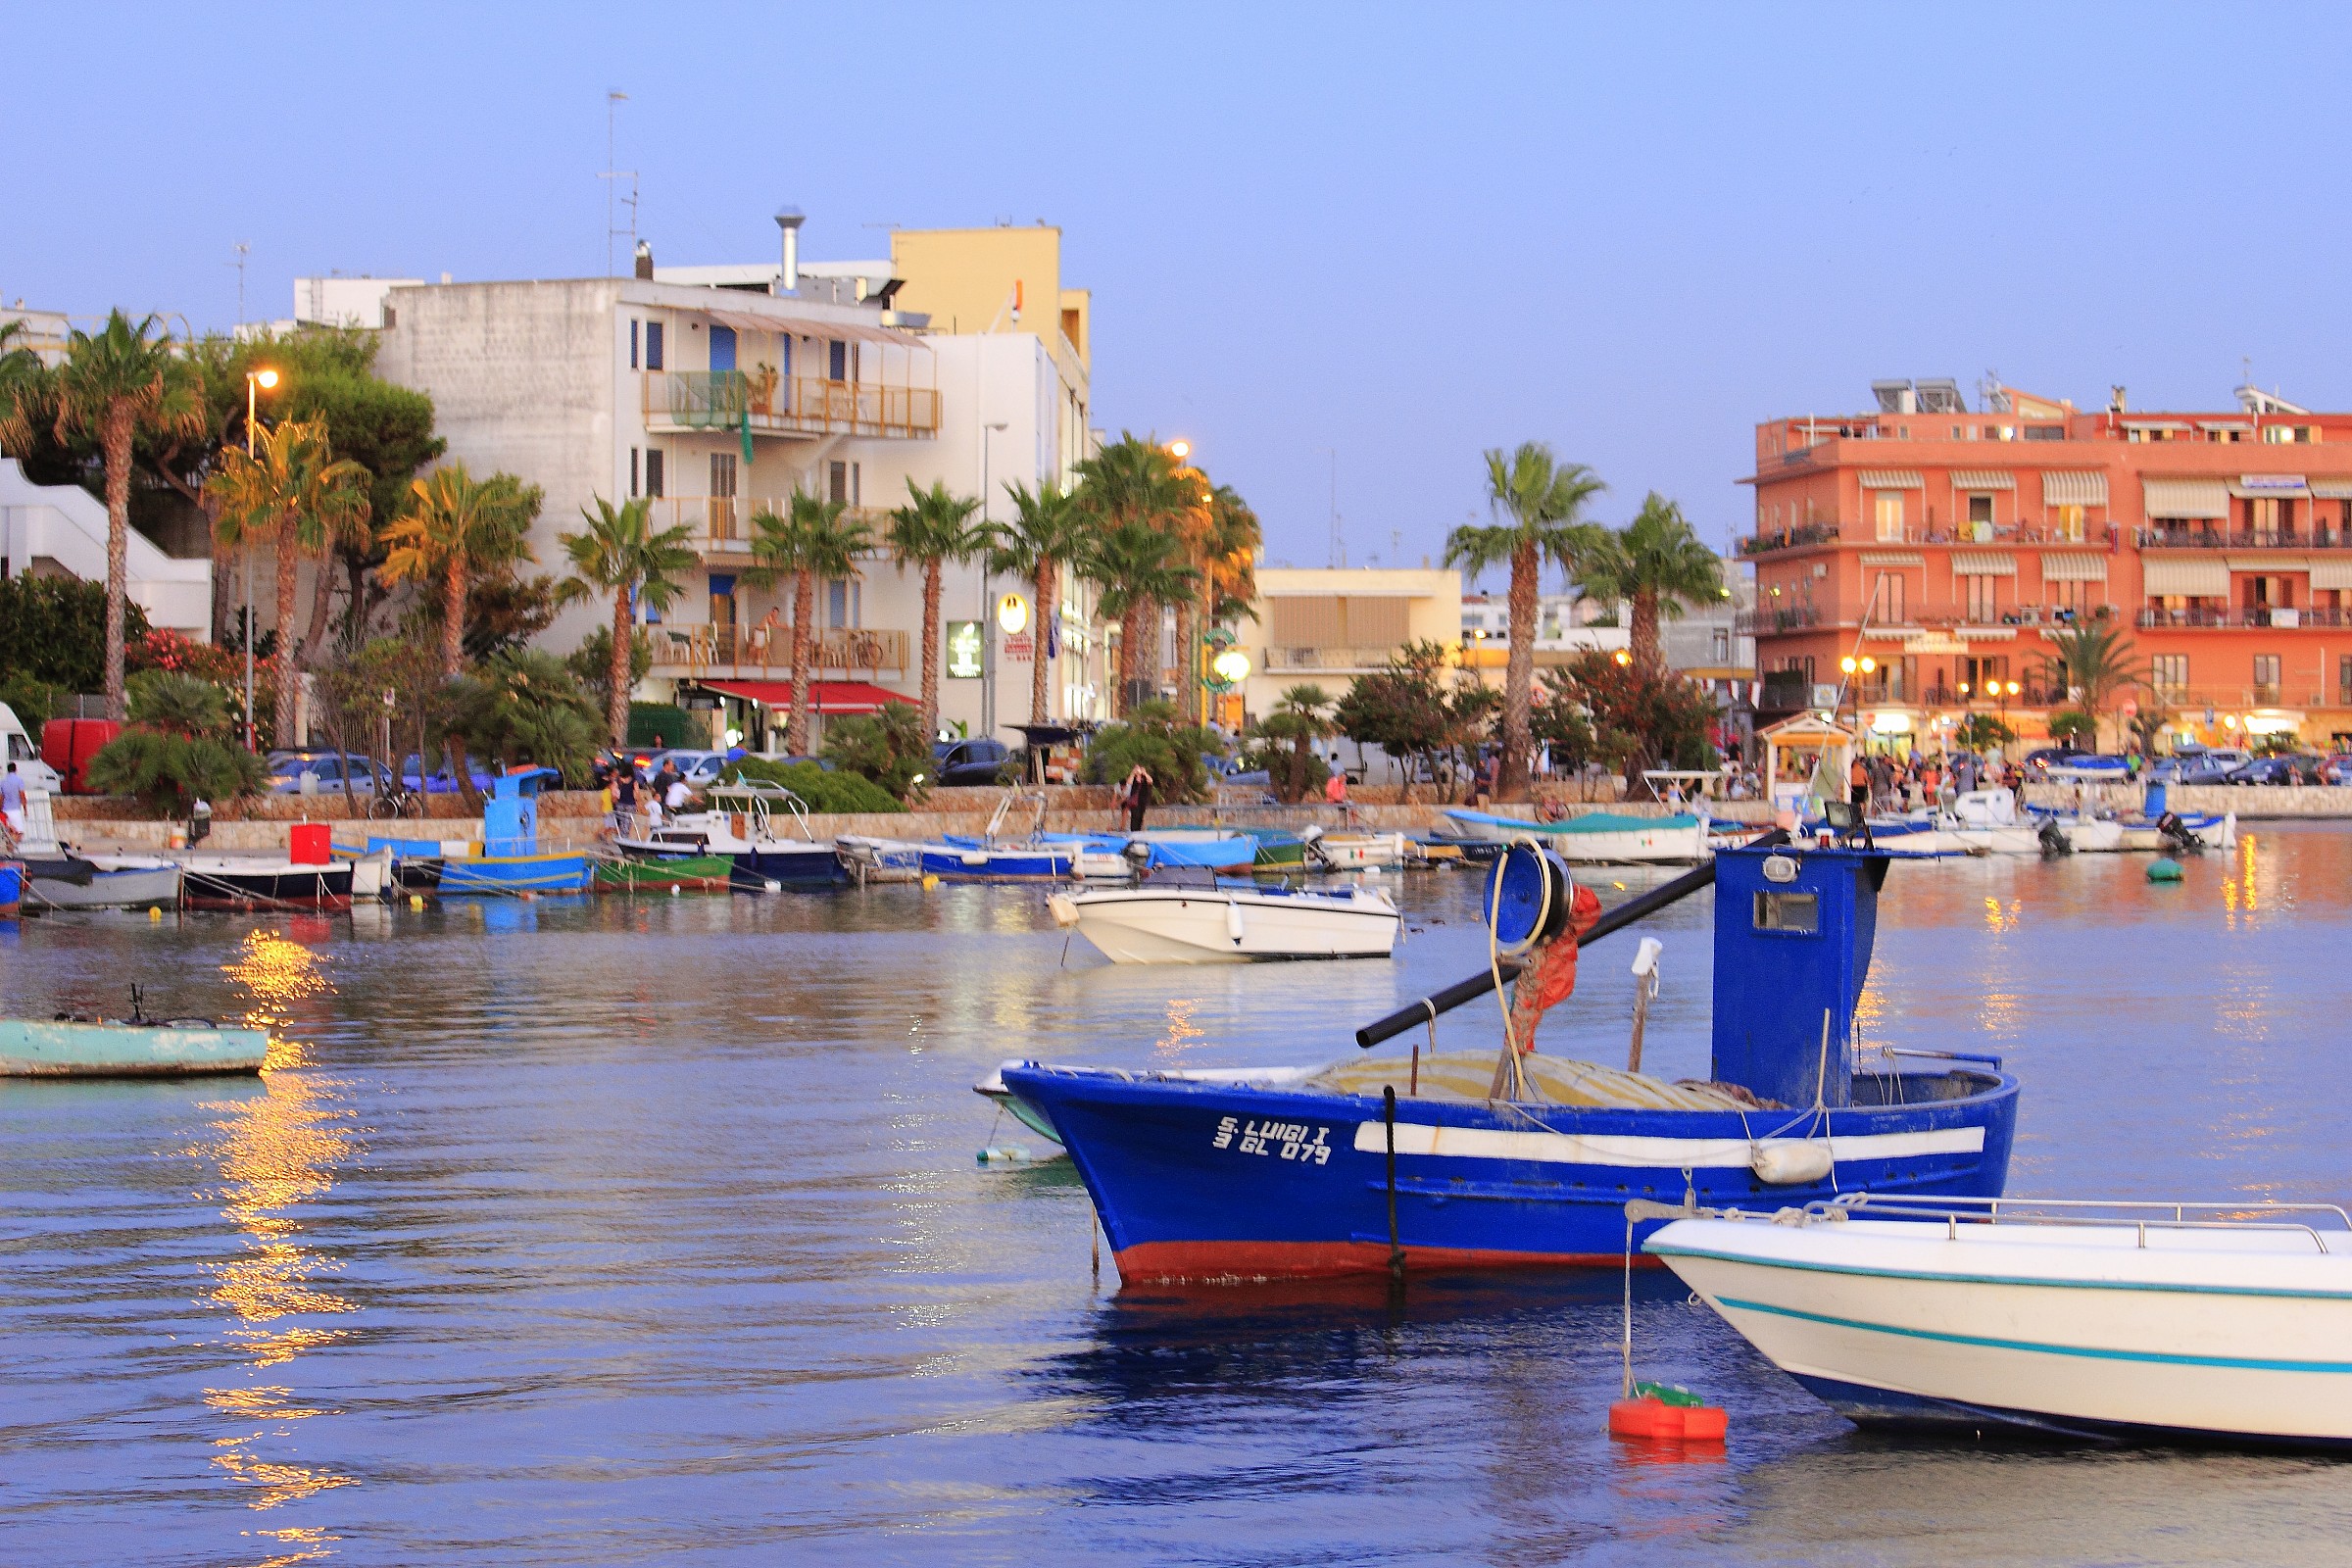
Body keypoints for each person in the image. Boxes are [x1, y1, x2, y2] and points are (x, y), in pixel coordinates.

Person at [1121, 764, 1154, 833]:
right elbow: (1128, 783)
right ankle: (1134, 831)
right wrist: (1133, 773)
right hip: (1134, 801)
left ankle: (1138, 831)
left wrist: (1145, 773)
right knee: (1135, 816)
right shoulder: (1133, 778)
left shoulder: (1144, 778)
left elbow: (1150, 781)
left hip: (1142, 800)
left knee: (1140, 817)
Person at [0, 761, 24, 840]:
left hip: (5, 810)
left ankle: (10, 848)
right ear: (15, 769)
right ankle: (12, 849)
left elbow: (1, 797)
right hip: (15, 810)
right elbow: (22, 795)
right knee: (19, 832)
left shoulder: (2, 782)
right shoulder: (19, 780)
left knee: (9, 832)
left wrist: (1, 810)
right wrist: (25, 809)